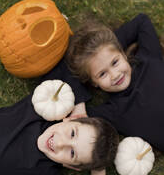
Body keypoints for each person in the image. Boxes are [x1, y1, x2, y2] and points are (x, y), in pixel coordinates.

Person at [0, 60, 119, 175]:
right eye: (72, 133)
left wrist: (98, 169)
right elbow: (62, 60)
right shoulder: (46, 105)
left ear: (72, 167)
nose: (60, 143)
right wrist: (79, 106)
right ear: (69, 119)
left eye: (72, 153)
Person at [66, 13, 164, 152]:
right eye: (102, 74)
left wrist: (106, 45)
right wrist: (79, 103)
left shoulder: (148, 59)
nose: (115, 75)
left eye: (115, 62)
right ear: (94, 83)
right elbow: (65, 81)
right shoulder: (112, 112)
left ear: (123, 54)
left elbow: (142, 21)